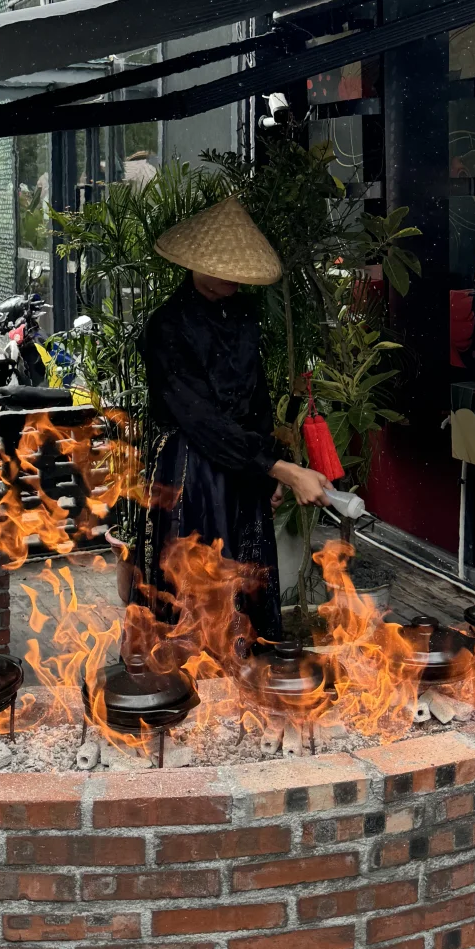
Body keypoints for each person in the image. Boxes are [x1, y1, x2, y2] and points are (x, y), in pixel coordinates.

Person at [128, 195, 331, 645]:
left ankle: (249, 668)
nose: (232, 279)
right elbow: (201, 421)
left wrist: (267, 470)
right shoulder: (167, 325)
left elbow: (257, 400)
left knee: (247, 581)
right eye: (222, 270)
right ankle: (194, 672)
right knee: (201, 583)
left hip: (245, 462)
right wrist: (279, 468)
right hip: (192, 466)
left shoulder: (244, 314)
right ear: (194, 265)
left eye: (238, 272)